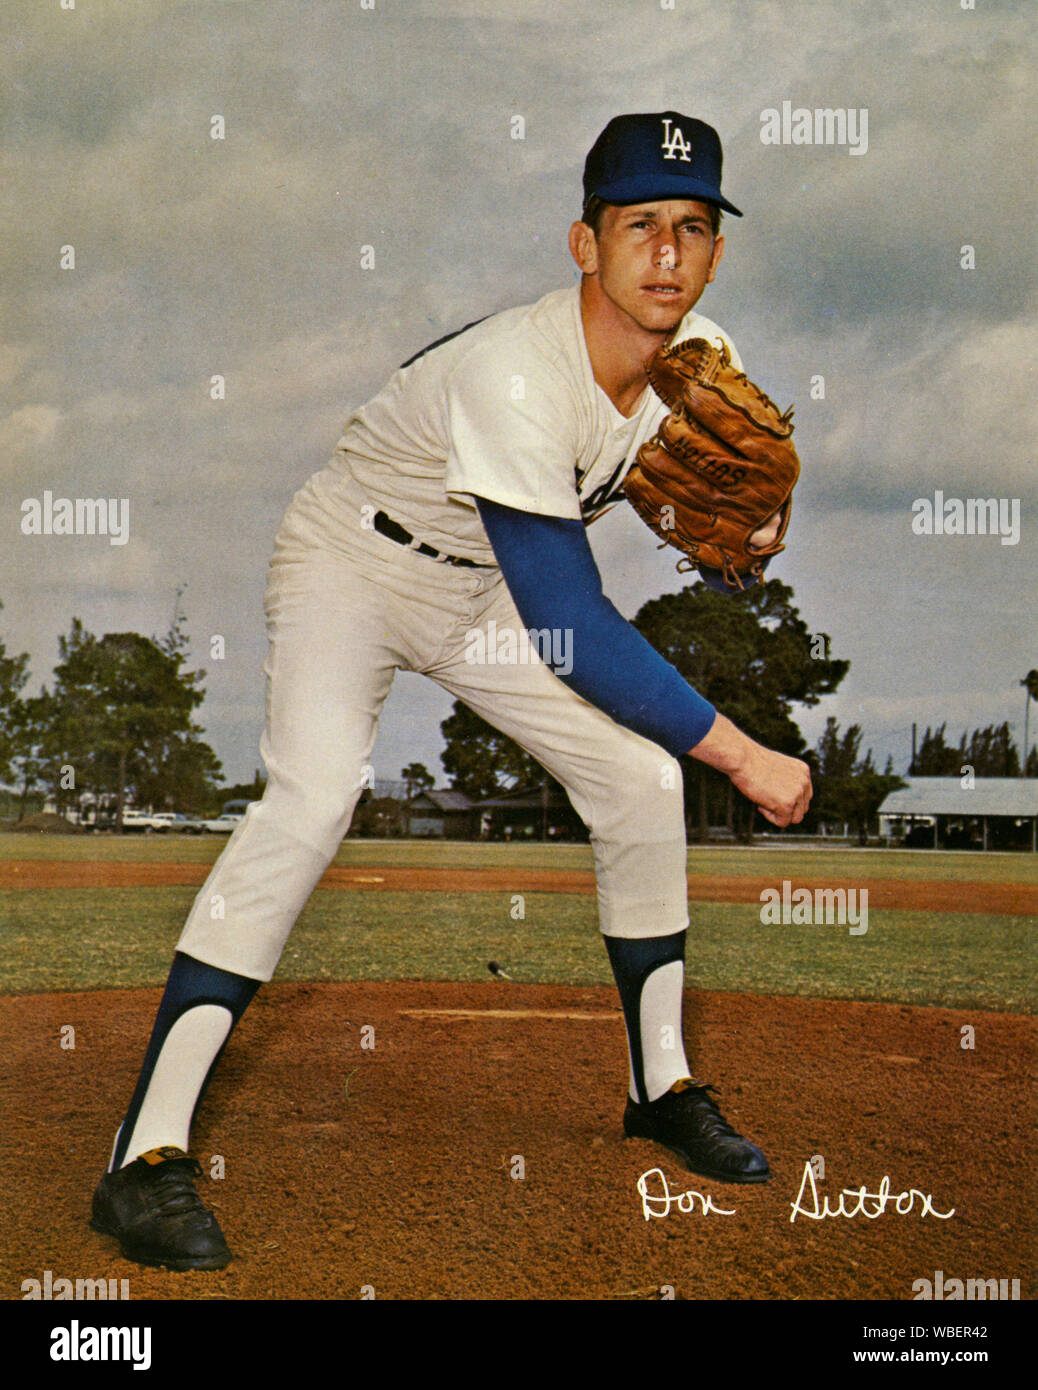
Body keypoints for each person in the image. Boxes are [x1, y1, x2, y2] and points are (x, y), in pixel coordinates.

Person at [89, 111, 812, 1272]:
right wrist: (741, 752)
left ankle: (659, 1083)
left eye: (691, 228)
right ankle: (144, 1152)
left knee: (634, 780)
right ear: (585, 244)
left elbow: (695, 490)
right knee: (315, 796)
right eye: (640, 227)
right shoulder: (516, 375)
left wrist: (762, 522)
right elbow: (571, 626)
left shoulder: (698, 361)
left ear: (717, 251)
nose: (667, 254)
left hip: (476, 584)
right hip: (353, 562)